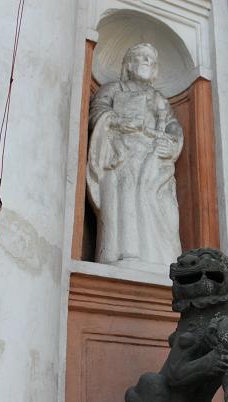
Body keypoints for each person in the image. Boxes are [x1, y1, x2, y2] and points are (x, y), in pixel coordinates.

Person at [87, 43, 184, 267]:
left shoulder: (160, 99)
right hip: (121, 156)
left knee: (165, 208)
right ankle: (123, 255)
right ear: (129, 64)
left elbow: (173, 127)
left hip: (154, 161)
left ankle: (163, 259)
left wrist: (171, 146)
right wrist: (120, 122)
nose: (146, 61)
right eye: (140, 57)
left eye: (150, 59)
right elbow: (97, 112)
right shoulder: (113, 89)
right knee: (125, 201)